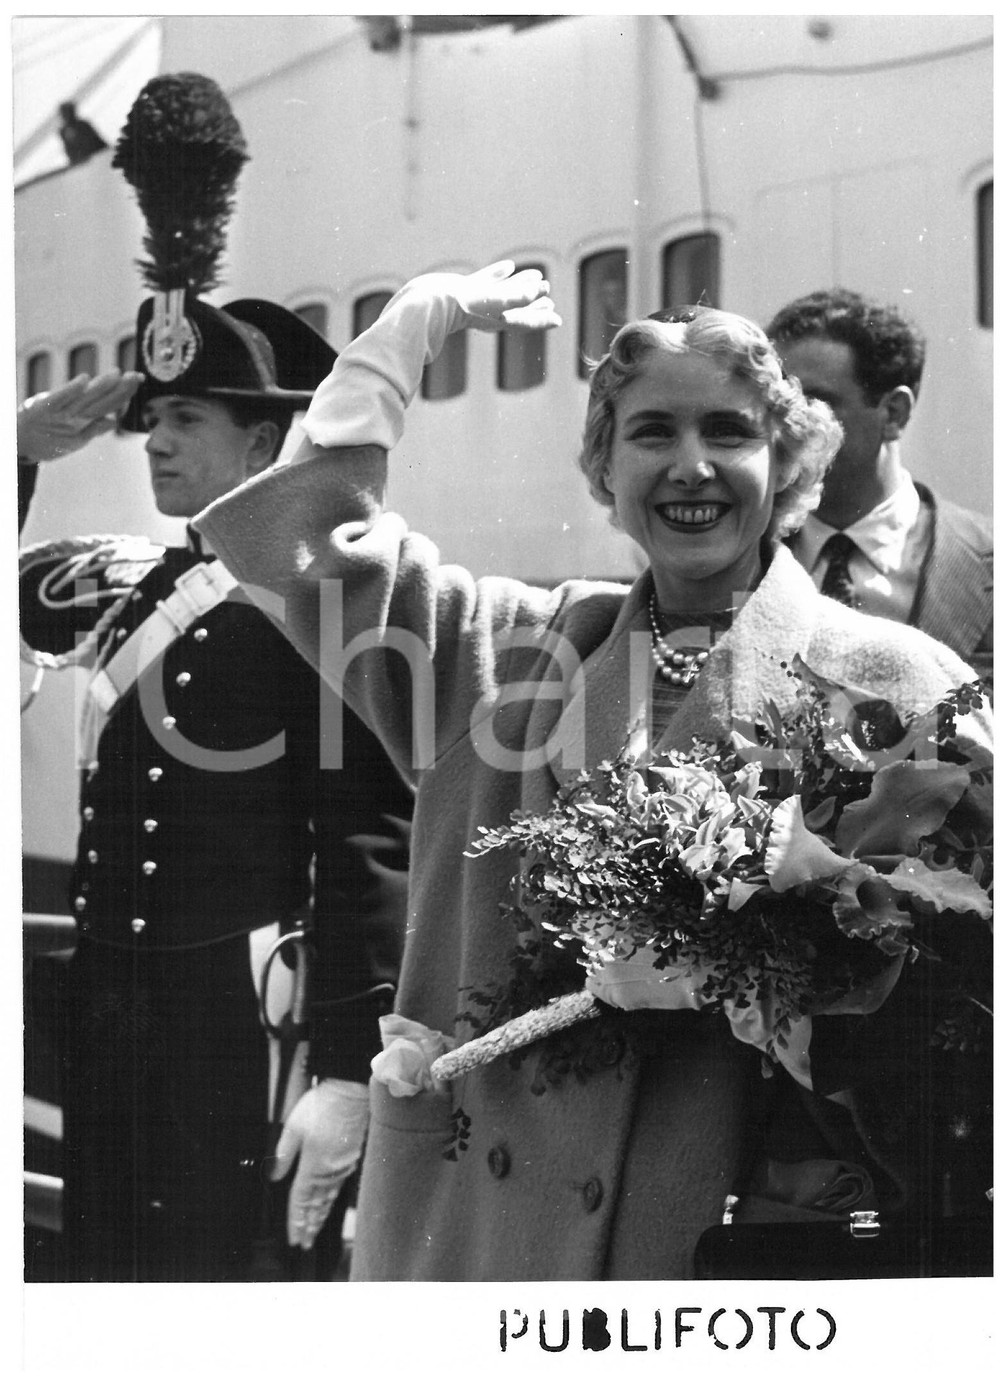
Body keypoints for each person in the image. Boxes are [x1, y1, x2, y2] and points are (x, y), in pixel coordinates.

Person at [197, 263, 992, 1281]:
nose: (692, 467)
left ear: (786, 460)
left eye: (730, 432)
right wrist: (394, 350)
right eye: (653, 433)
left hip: (726, 1250)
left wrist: (770, 989)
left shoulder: (901, 680)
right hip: (482, 1247)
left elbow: (969, 983)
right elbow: (300, 549)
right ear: (605, 468)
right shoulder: (497, 655)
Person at [17, 73, 413, 1283]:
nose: (159, 442)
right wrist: (15, 449)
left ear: (262, 441)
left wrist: (343, 1066)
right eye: (153, 421)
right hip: (110, 1010)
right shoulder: (132, 583)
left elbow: (364, 837)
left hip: (240, 1028)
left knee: (229, 1292)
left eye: (188, 418)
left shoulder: (325, 600)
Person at [766, 289, 992, 684]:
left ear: (894, 414)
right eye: (778, 403)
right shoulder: (742, 553)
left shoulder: (987, 562)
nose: (786, 425)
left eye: (814, 402)